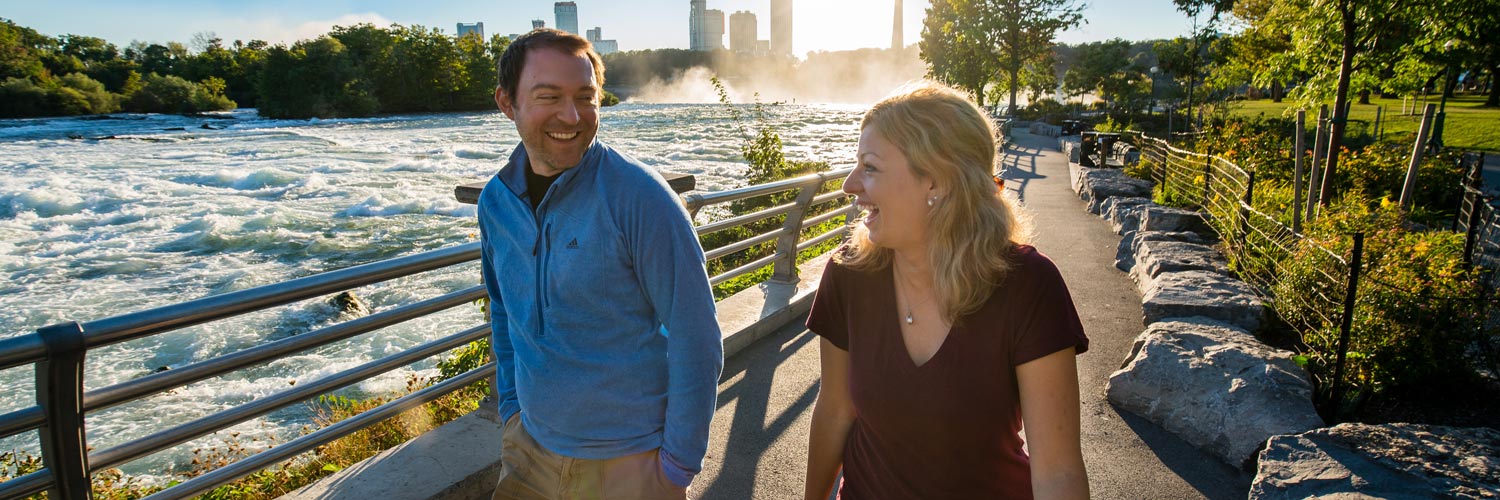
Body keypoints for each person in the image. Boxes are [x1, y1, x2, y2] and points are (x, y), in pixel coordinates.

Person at [802, 82, 1090, 500]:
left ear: (935, 183)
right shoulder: (850, 274)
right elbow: (834, 411)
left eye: (870, 167)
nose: (850, 185)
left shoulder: (1029, 286)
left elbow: (1058, 471)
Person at [477, 29, 723, 499]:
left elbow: (696, 335)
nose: (571, 116)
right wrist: (511, 408)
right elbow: (503, 310)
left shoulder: (640, 198)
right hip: (528, 450)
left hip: (628, 463)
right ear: (507, 103)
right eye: (549, 96)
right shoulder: (496, 202)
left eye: (585, 97)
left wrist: (675, 467)